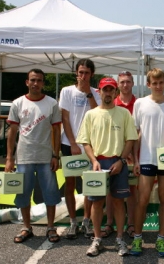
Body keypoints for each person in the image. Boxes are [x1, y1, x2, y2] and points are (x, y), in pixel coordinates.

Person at [76, 77, 138, 257]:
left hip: (118, 161)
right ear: (99, 92)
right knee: (96, 203)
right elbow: (85, 142)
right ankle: (97, 239)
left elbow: (131, 139)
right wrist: (94, 161)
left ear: (115, 92)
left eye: (111, 90)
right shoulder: (91, 114)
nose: (108, 93)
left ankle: (120, 238)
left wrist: (121, 160)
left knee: (119, 202)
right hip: (98, 163)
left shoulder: (124, 113)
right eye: (105, 90)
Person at [5, 68, 62, 243]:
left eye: (39, 80)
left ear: (43, 83)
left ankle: (51, 227)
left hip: (46, 157)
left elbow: (56, 131)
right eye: (32, 80)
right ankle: (26, 228)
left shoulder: (51, 103)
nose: (35, 83)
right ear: (27, 82)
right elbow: (12, 132)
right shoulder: (18, 103)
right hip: (24, 157)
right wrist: (9, 158)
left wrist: (55, 155)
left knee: (50, 194)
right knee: (23, 194)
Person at [130, 68, 164, 257]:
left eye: (161, 82)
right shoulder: (140, 103)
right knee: (142, 201)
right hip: (146, 160)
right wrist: (135, 159)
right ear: (148, 84)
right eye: (155, 83)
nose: (159, 86)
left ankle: (161, 239)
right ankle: (137, 238)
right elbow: (136, 134)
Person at [59, 58, 101, 239]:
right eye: (80, 72)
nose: (83, 76)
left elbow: (98, 114)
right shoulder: (66, 91)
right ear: (76, 73)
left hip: (90, 147)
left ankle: (86, 221)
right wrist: (73, 143)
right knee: (70, 185)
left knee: (89, 186)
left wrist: (88, 94)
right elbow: (65, 119)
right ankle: (73, 222)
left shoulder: (96, 93)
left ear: (92, 74)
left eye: (87, 73)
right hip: (70, 144)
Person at [104, 70, 137, 239]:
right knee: (111, 191)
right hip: (116, 155)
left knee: (131, 190)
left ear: (132, 83)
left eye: (128, 82)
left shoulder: (138, 103)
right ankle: (109, 223)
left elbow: (139, 132)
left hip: (133, 154)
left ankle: (131, 223)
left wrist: (132, 153)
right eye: (122, 82)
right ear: (118, 85)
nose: (125, 85)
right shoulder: (112, 102)